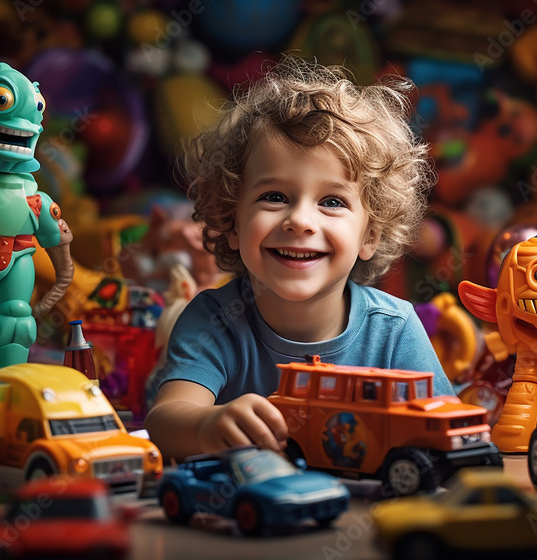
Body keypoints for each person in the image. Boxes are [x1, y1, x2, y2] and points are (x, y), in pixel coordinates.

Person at [143, 56, 454, 460]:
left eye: (332, 201)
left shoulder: (394, 331)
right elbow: (165, 420)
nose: (300, 221)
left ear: (370, 234)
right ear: (233, 222)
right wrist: (207, 424)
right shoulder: (215, 320)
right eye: (274, 197)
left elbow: (446, 428)